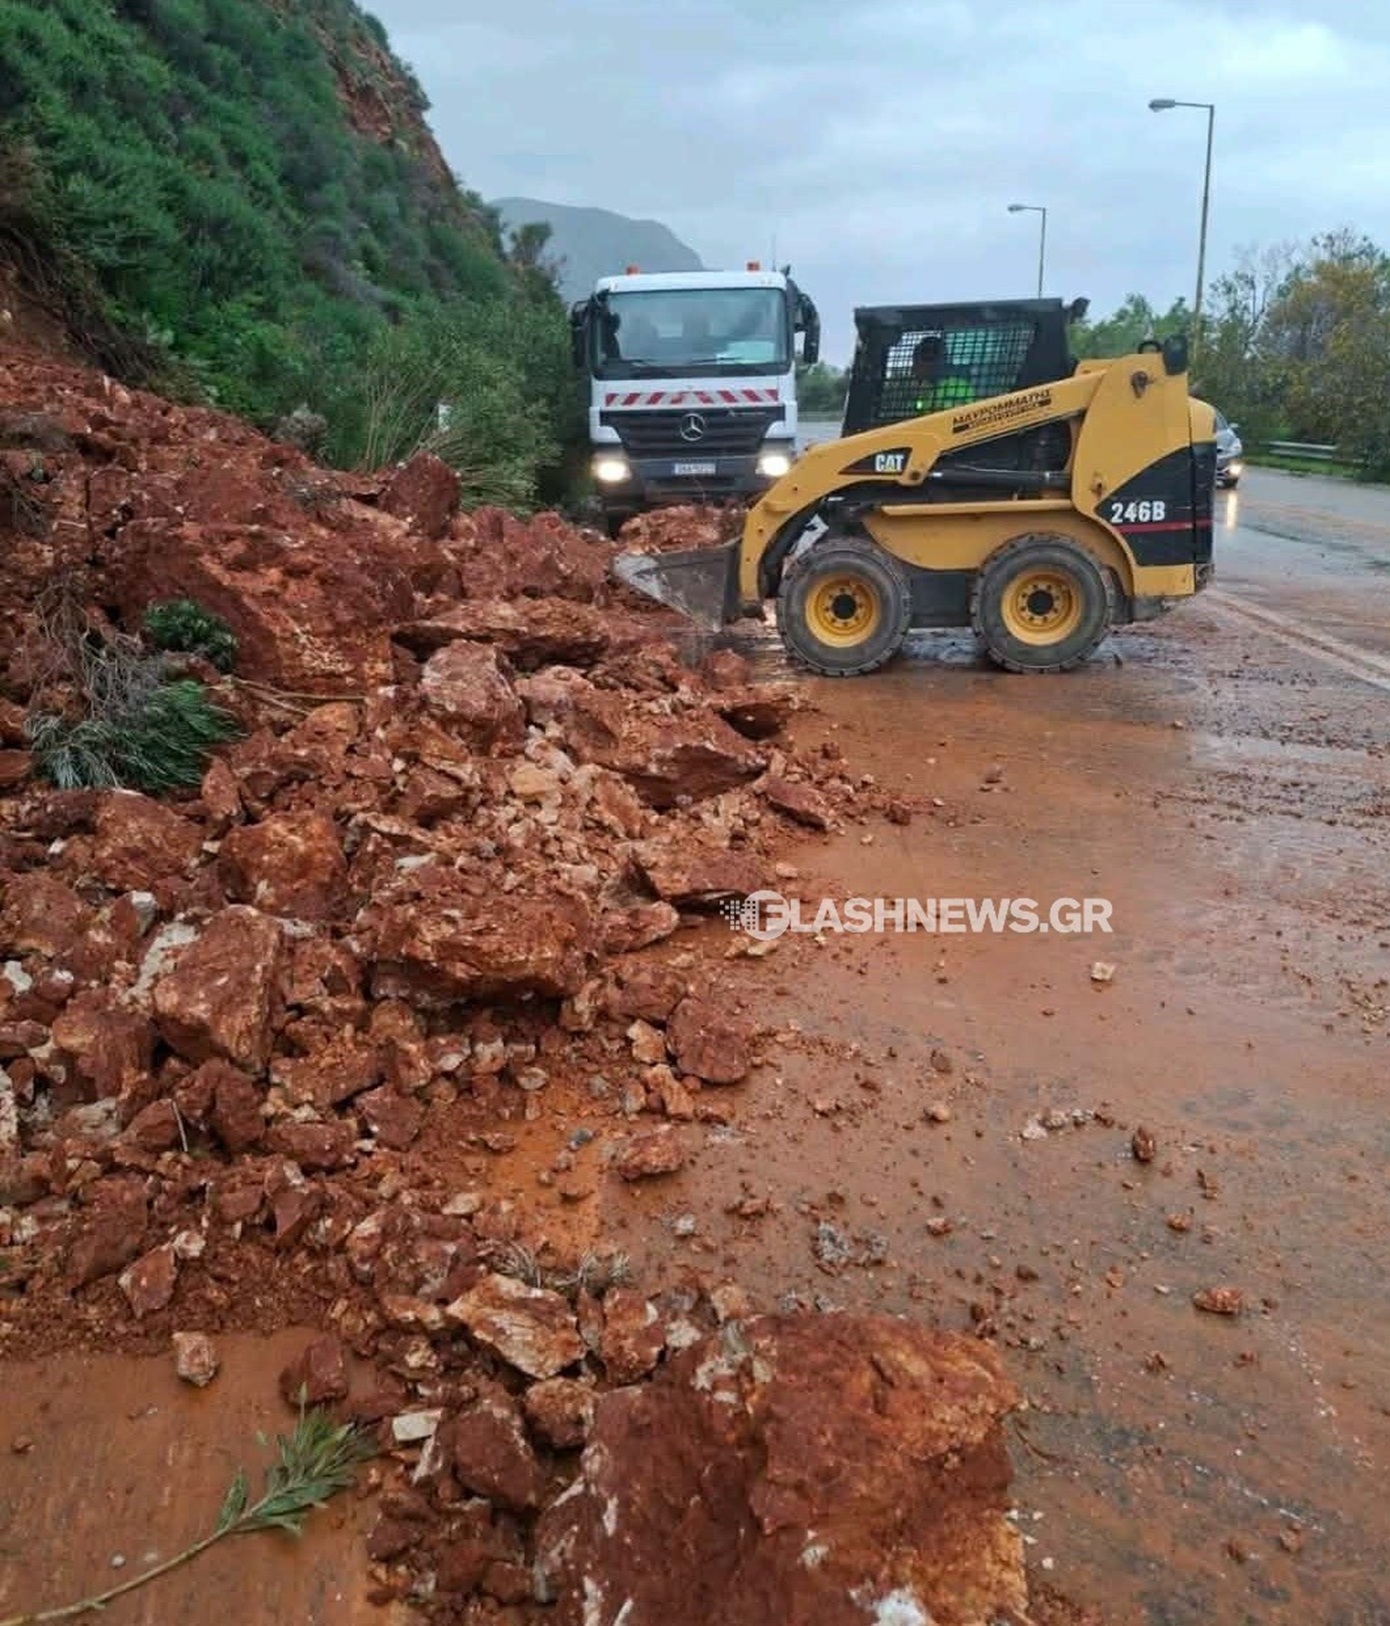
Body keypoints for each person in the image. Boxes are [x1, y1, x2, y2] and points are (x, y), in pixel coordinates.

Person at [910, 335, 974, 413]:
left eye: (916, 362)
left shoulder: (956, 388)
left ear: (931, 363)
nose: (913, 369)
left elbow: (949, 419)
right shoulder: (926, 388)